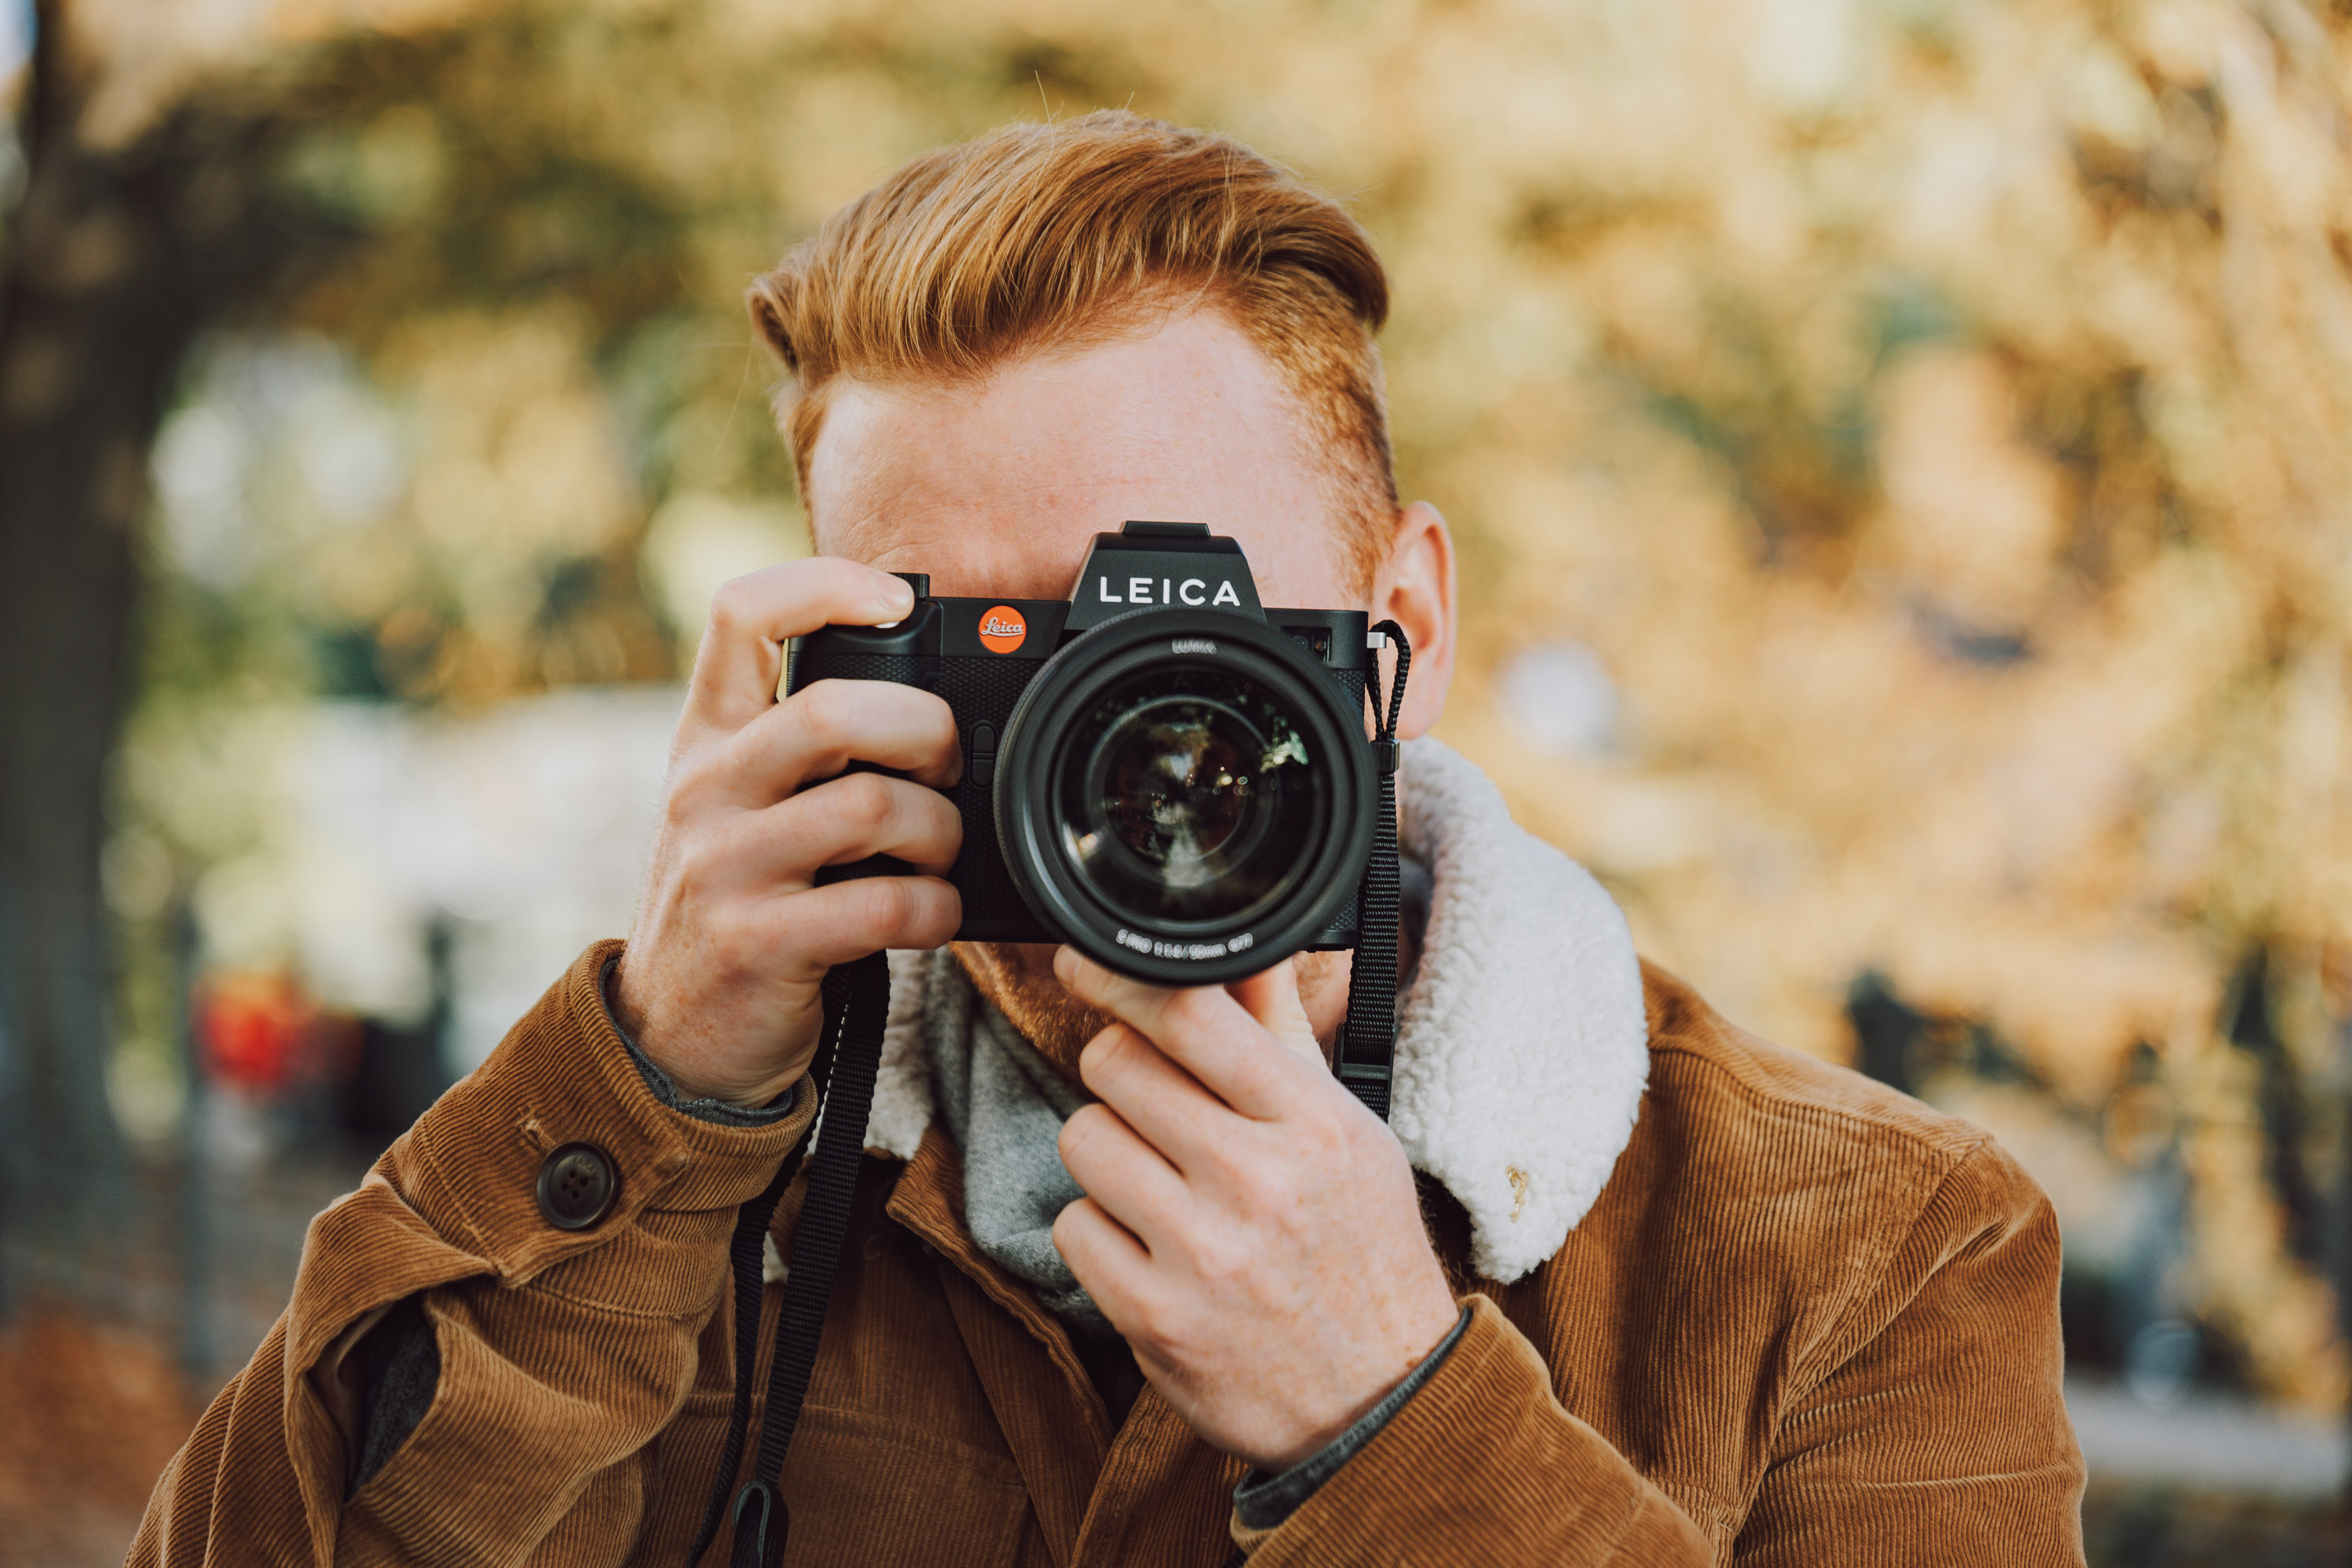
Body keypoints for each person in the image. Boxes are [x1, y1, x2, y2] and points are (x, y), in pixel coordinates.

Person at [130, 112, 2085, 1566]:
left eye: (1163, 638)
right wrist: (641, 1094)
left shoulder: (1869, 1246)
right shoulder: (702, 1166)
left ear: (1401, 630)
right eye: (989, 654)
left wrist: (1396, 1421)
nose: (1107, 757)